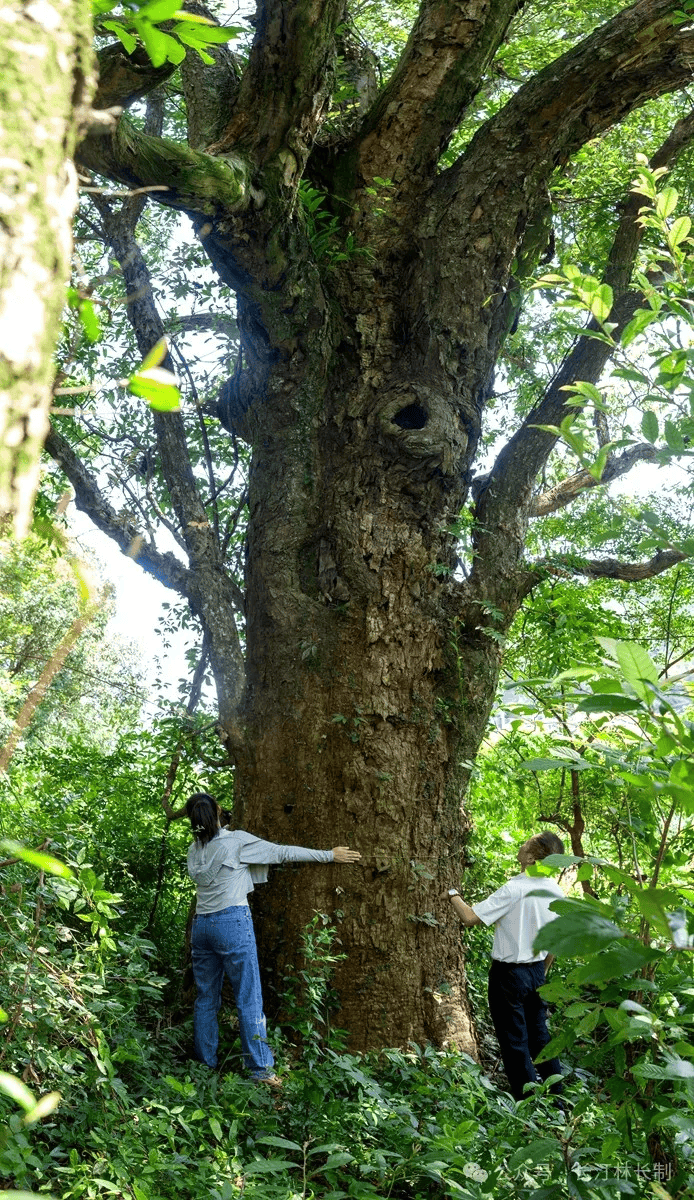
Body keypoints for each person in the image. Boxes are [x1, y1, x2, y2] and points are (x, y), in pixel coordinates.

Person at [185, 791, 361, 1083]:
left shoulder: (195, 851)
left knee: (206, 998)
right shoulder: (236, 841)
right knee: (248, 996)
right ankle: (260, 1070)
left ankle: (204, 1065)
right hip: (231, 922)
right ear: (216, 812)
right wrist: (329, 855)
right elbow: (282, 852)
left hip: (202, 926)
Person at [447, 830, 565, 1102]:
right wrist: (542, 970)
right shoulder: (555, 890)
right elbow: (558, 939)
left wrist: (452, 893)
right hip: (537, 971)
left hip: (509, 975)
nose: (521, 846)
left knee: (514, 1041)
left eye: (526, 845)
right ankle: (556, 1097)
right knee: (540, 1036)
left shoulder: (515, 888)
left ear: (532, 858)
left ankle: (526, 1102)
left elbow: (469, 917)